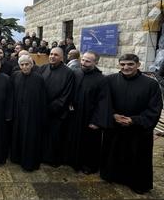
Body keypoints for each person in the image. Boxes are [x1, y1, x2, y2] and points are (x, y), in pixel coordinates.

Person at [100, 54, 162, 194]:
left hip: (137, 130)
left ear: (138, 65)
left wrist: (134, 120)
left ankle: (136, 184)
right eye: (122, 64)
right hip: (115, 127)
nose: (126, 67)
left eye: (130, 64)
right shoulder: (110, 80)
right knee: (113, 153)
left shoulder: (151, 84)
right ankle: (112, 176)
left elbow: (154, 108)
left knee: (137, 158)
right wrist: (113, 115)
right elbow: (104, 101)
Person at [66, 51, 110, 174]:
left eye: (88, 61)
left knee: (90, 144)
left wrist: (96, 121)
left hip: (90, 118)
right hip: (75, 115)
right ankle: (74, 162)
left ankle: (89, 166)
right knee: (75, 139)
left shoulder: (101, 79)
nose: (84, 63)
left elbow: (103, 103)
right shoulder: (76, 73)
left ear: (96, 62)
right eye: (83, 60)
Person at [11, 55, 47, 171]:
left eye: (27, 64)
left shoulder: (39, 79)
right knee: (18, 135)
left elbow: (42, 99)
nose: (25, 67)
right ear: (19, 66)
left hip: (32, 115)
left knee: (30, 138)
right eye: (22, 64)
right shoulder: (15, 76)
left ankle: (29, 162)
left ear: (32, 65)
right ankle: (17, 158)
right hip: (18, 114)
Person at [40, 47, 74, 167]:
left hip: (57, 113)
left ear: (62, 58)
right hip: (42, 111)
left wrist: (50, 108)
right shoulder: (43, 68)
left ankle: (53, 160)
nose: (52, 56)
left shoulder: (68, 73)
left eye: (56, 55)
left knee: (55, 138)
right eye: (51, 54)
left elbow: (66, 96)